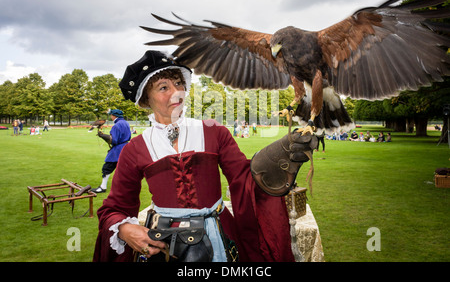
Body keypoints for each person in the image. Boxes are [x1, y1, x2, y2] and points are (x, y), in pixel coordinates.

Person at [93, 50, 315, 262]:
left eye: (178, 83)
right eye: (163, 87)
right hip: (164, 244)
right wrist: (124, 228)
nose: (176, 92)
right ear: (145, 99)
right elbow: (114, 208)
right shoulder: (136, 148)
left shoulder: (213, 131)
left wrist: (275, 161)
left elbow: (245, 179)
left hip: (221, 235)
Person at [91, 109, 131, 193]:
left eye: (111, 115)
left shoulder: (117, 125)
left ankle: (103, 187)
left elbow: (114, 140)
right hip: (126, 148)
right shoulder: (126, 123)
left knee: (107, 168)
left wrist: (102, 135)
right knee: (124, 169)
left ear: (114, 116)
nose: (110, 116)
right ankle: (126, 188)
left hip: (118, 149)